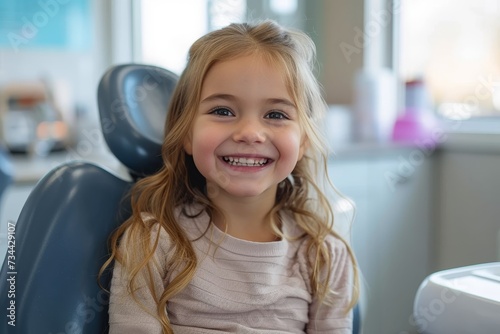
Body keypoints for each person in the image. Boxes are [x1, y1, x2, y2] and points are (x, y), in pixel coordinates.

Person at [102, 20, 359, 334]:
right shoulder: (152, 242)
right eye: (223, 111)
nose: (250, 133)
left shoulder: (324, 256)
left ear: (303, 140)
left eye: (276, 115)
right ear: (186, 133)